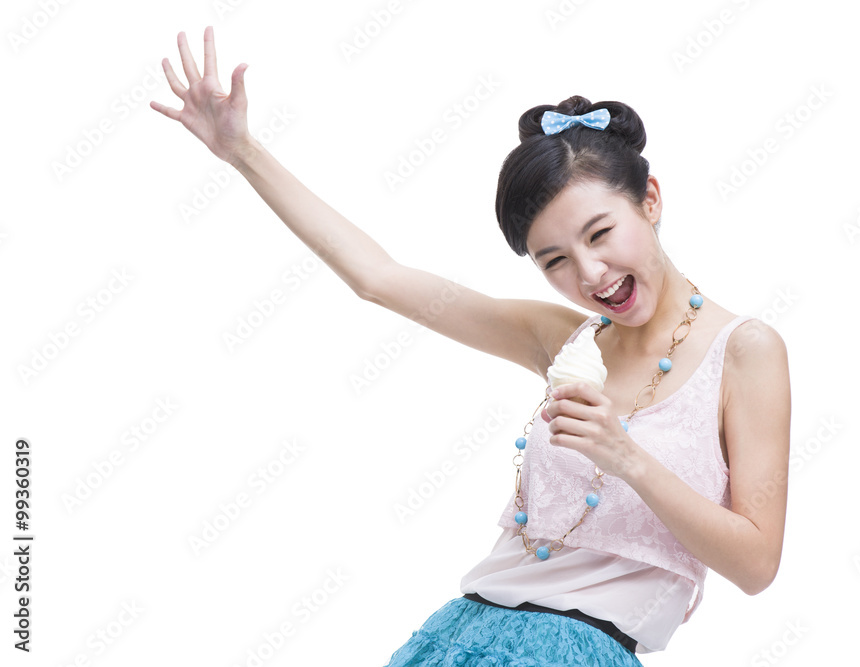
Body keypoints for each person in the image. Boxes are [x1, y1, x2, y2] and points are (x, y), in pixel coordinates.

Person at [151, 26, 791, 666]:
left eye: (601, 233)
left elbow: (757, 562)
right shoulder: (564, 339)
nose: (592, 274)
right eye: (555, 260)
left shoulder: (745, 352)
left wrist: (627, 457)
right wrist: (241, 151)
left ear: (649, 201)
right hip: (462, 634)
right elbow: (379, 279)